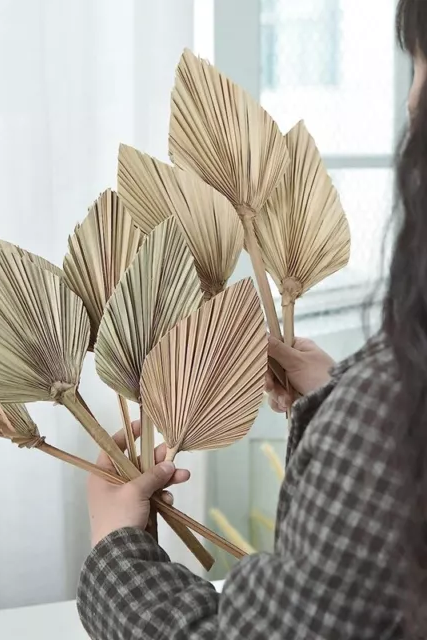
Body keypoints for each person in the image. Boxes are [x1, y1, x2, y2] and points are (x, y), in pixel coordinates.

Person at [76, 1, 427, 637]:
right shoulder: (387, 404)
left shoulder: (390, 418)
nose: (411, 104)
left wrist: (115, 549)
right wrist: (338, 395)